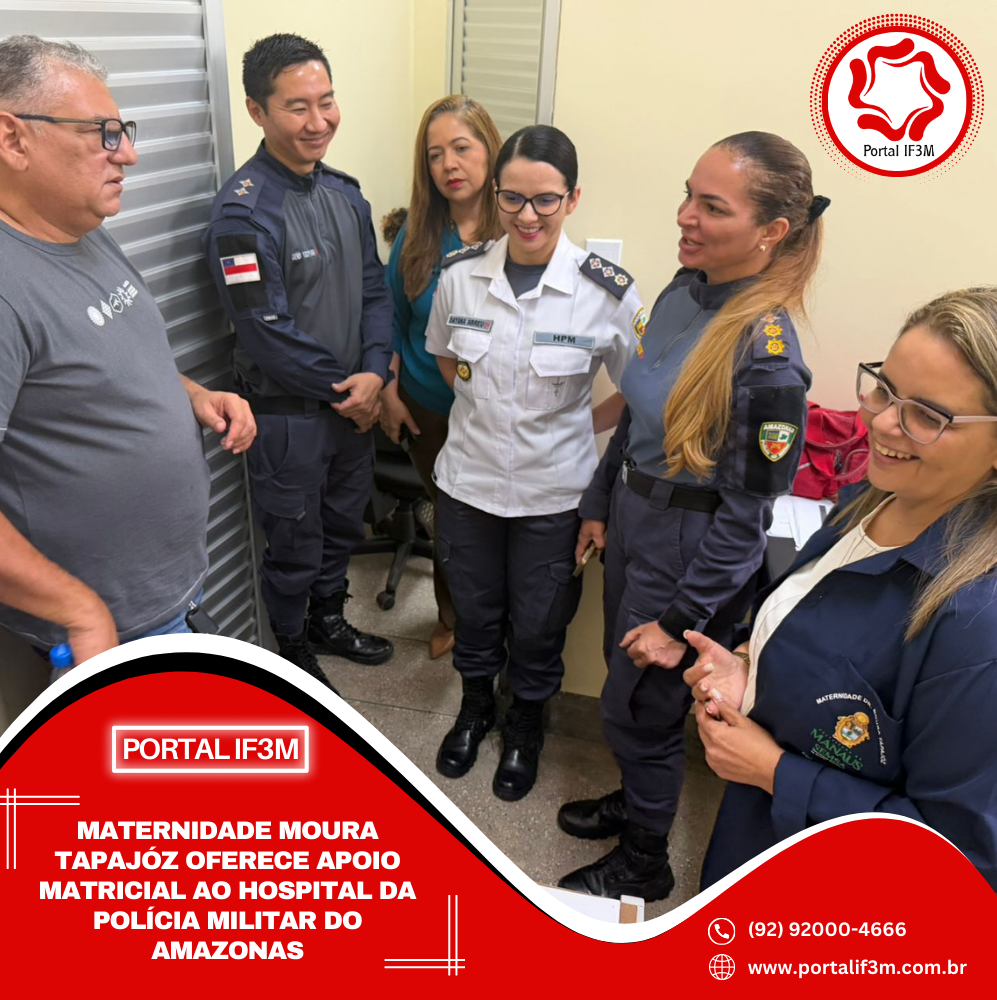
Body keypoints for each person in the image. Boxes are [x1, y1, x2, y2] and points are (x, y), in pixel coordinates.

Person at [557, 132, 825, 901]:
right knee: (626, 686)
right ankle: (637, 798)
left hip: (691, 550)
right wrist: (600, 503)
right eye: (688, 195)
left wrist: (679, 624)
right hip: (635, 520)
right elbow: (640, 417)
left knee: (643, 705)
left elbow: (745, 523)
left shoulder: (768, 357)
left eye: (713, 206)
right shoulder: (683, 288)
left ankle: (646, 858)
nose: (685, 216)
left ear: (772, 230)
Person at [684, 287, 997, 891]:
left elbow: (958, 860)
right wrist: (749, 663)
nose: (881, 422)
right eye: (885, 389)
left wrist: (776, 772)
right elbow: (818, 625)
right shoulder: (872, 496)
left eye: (927, 416)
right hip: (755, 837)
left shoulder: (974, 625)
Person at [0, 35, 255, 665]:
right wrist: (79, 611)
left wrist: (191, 394)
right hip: (102, 632)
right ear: (12, 139)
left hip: (165, 595)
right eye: (104, 134)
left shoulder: (80, 229)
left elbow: (100, 362)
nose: (129, 155)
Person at [425, 125, 643, 801]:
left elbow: (641, 392)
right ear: (495, 194)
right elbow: (445, 356)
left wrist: (581, 422)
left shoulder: (606, 292)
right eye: (512, 198)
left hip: (554, 495)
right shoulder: (460, 277)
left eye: (545, 199)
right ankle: (474, 708)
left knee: (542, 621)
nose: (527, 215)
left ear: (572, 199)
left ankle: (525, 724)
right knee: (475, 611)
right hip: (468, 485)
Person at [204, 33, 395, 686]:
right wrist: (356, 391)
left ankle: (328, 621)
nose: (319, 121)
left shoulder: (345, 193)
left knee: (342, 528)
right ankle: (292, 654)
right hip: (291, 419)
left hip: (352, 410)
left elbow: (374, 290)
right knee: (293, 545)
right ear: (257, 112)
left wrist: (376, 372)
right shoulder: (243, 216)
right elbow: (266, 333)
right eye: (297, 107)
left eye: (327, 101)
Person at [380, 95, 503, 660]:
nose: (449, 164)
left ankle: (497, 621)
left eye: (461, 148)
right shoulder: (419, 233)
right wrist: (388, 393)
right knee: (453, 520)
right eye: (435, 154)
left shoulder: (518, 227)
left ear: (489, 150)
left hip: (498, 410)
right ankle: (451, 617)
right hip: (429, 405)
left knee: (495, 522)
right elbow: (389, 317)